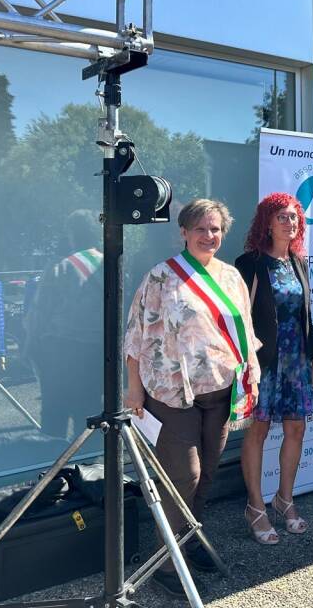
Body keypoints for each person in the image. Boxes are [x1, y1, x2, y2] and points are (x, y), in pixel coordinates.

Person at [123, 199, 261, 595]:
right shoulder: (161, 278)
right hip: (172, 394)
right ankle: (165, 565)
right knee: (185, 475)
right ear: (183, 232)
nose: (209, 236)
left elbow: (245, 333)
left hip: (221, 393)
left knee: (208, 476)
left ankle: (187, 540)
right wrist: (134, 388)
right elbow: (136, 336)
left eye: (216, 228)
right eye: (200, 228)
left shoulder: (232, 277)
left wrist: (251, 375)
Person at [235, 192, 313, 544]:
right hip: (263, 361)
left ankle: (284, 499)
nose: (290, 222)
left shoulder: (299, 263)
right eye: (282, 217)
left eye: (294, 217)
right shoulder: (250, 264)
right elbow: (237, 318)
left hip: (297, 359)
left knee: (296, 429)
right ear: (267, 223)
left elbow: (307, 317)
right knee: (257, 431)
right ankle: (255, 506)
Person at [25, 210, 104, 438]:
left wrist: (29, 345)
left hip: (60, 350)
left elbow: (40, 312)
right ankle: (87, 464)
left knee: (54, 411)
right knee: (89, 410)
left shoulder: (61, 266)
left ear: (71, 235)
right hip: (96, 351)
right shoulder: (109, 264)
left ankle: (52, 464)